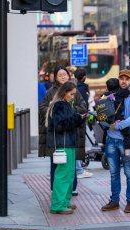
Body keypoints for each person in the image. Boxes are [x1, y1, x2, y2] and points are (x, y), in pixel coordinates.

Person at [39, 65, 88, 196]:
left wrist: (72, 112)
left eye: (64, 74)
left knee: (71, 164)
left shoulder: (74, 90)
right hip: (57, 135)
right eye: (59, 75)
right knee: (57, 162)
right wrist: (54, 111)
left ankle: (71, 189)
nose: (62, 77)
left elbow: (83, 106)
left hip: (72, 133)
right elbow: (43, 107)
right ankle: (57, 192)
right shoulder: (50, 92)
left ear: (69, 76)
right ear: (55, 77)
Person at [101, 69, 130, 213]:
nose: (124, 81)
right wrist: (108, 125)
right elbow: (103, 115)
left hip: (126, 142)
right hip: (111, 140)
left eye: (127, 79)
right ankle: (114, 201)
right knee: (113, 173)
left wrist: (117, 125)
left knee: (129, 173)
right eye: (121, 78)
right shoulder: (111, 96)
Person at [46, 81, 87, 214]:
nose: (73, 97)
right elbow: (60, 124)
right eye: (72, 94)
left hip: (67, 143)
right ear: (64, 93)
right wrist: (77, 119)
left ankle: (64, 201)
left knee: (69, 174)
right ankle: (58, 205)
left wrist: (79, 117)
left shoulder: (63, 104)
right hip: (63, 144)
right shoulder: (59, 105)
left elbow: (66, 120)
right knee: (63, 175)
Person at [100, 77, 130, 162]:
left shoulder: (104, 95)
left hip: (108, 118)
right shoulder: (120, 93)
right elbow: (129, 91)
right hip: (118, 118)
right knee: (128, 134)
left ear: (107, 87)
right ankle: (127, 154)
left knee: (106, 131)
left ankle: (104, 145)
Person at [73, 68, 93, 179]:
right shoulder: (83, 87)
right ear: (83, 77)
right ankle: (79, 169)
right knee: (79, 143)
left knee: (77, 143)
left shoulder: (72, 86)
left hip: (75, 116)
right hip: (80, 117)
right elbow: (83, 104)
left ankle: (78, 168)